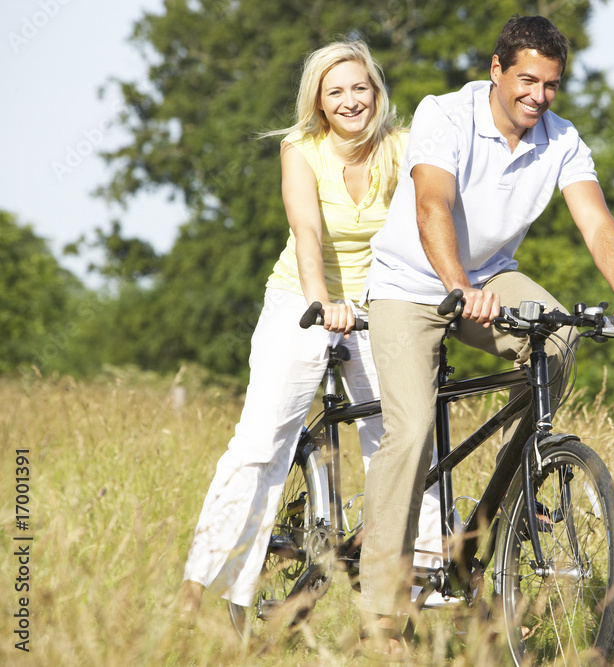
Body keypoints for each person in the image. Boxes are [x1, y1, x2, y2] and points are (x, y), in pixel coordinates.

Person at [359, 14, 614, 657]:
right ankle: (381, 614)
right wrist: (460, 288)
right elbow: (430, 204)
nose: (538, 96)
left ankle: (483, 533)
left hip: (492, 278)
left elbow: (596, 220)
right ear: (496, 70)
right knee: (409, 432)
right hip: (411, 285)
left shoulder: (562, 139)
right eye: (527, 80)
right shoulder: (445, 115)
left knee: (559, 343)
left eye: (551, 85)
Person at [177, 39, 445, 625]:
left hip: (383, 302)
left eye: (360, 88)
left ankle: (423, 588)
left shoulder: (404, 149)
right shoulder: (302, 148)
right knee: (260, 439)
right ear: (319, 104)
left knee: (404, 440)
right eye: (337, 92)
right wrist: (324, 302)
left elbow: (431, 221)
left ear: (377, 93)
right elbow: (305, 230)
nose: (351, 101)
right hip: (303, 295)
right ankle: (201, 584)